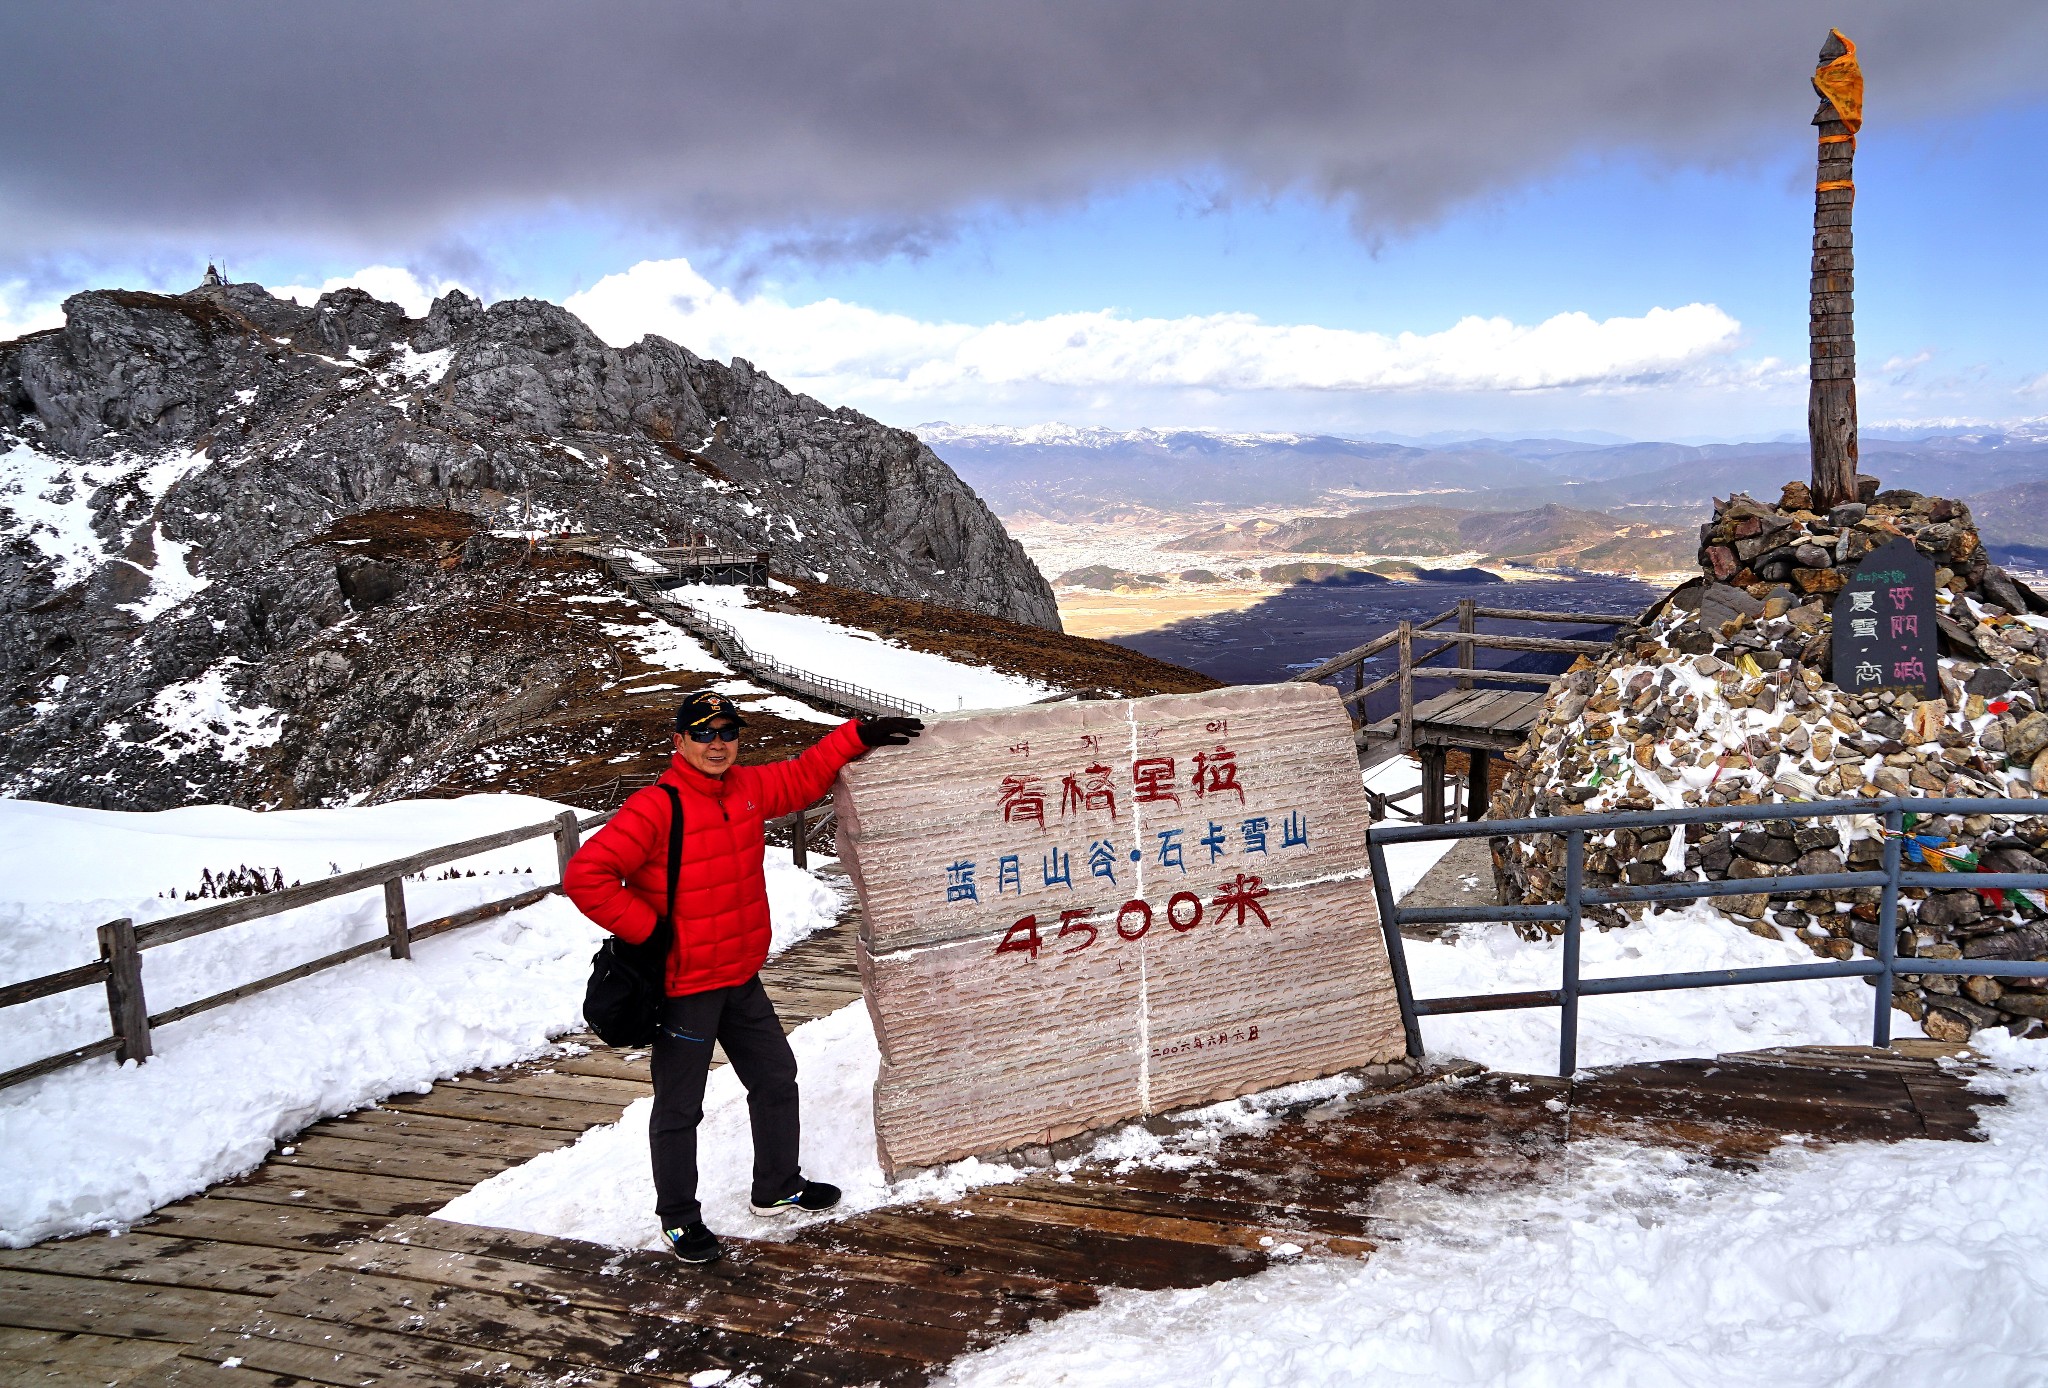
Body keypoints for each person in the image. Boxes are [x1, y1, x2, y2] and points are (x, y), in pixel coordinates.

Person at [563, 690, 923, 1264]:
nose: (717, 744)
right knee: (680, 1106)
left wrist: (860, 735)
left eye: (727, 733)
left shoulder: (747, 790)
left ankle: (777, 1186)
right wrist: (649, 930)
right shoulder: (657, 807)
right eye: (703, 733)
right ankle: (679, 1219)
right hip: (684, 987)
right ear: (679, 742)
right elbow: (586, 874)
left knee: (777, 1077)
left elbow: (803, 776)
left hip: (738, 976)